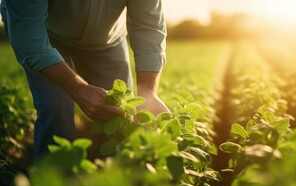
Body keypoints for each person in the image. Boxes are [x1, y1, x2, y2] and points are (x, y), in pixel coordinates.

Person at [0, 0, 170, 161]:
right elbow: (30, 40)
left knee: (118, 111)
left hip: (106, 39)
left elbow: (149, 26)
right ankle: (53, 182)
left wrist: (148, 92)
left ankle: (110, 180)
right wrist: (77, 88)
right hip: (44, 34)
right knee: (55, 105)